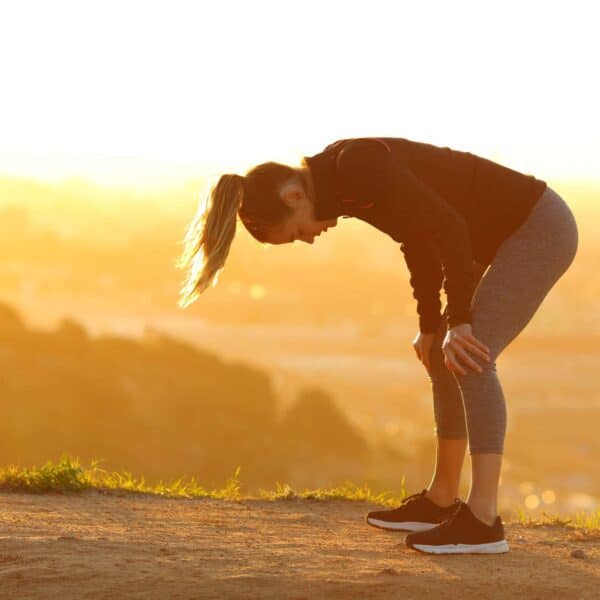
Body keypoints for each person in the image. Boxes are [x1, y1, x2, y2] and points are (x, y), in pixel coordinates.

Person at [176, 136, 579, 555]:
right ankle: (442, 498)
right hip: (487, 236)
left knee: (471, 355)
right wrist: (430, 326)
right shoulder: (342, 181)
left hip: (537, 228)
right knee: (444, 356)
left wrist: (458, 322)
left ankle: (483, 521)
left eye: (298, 232)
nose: (310, 240)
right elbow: (418, 239)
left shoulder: (356, 169)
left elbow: (448, 228)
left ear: (293, 195)